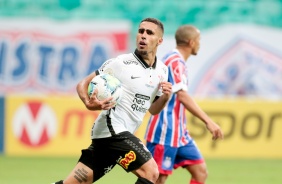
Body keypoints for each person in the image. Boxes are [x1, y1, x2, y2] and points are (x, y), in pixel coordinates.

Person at [52, 17, 172, 184]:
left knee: (78, 181)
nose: (143, 35)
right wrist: (88, 102)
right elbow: (82, 84)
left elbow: (154, 110)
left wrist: (166, 97)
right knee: (150, 172)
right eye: (141, 31)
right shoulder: (121, 63)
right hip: (112, 129)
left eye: (149, 33)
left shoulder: (162, 70)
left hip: (113, 136)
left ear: (159, 40)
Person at [145, 25, 224, 184]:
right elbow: (182, 95)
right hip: (165, 131)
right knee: (158, 178)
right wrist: (209, 122)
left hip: (179, 133)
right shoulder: (174, 61)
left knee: (200, 172)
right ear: (191, 42)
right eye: (198, 40)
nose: (200, 44)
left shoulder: (176, 61)